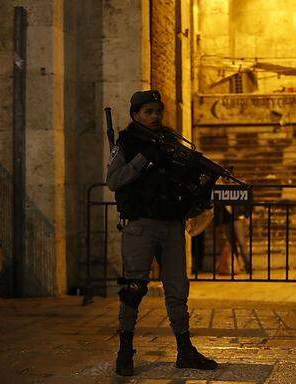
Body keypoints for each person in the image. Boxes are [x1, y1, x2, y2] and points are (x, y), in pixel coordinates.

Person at [106, 90, 217, 376]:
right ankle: (125, 350)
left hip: (171, 224)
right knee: (134, 288)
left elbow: (183, 181)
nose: (155, 117)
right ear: (136, 115)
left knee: (178, 288)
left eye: (158, 111)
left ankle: (185, 349)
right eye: (148, 112)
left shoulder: (171, 142)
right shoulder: (127, 142)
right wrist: (143, 158)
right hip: (141, 225)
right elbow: (114, 180)